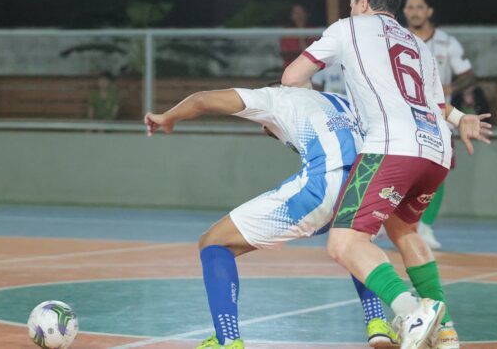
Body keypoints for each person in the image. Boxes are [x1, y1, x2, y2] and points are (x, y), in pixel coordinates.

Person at [282, 0, 491, 349]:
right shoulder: (419, 45)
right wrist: (462, 120)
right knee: (404, 230)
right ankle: (444, 329)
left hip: (392, 148)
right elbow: (438, 103)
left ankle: (410, 309)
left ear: (362, 3)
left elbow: (293, 77)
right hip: (437, 150)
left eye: (351, 4)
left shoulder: (347, 27)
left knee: (343, 243)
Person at [144, 86, 399, 349]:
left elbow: (201, 99)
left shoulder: (274, 99)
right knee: (355, 244)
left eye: (267, 129)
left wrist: (168, 117)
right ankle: (377, 323)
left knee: (213, 242)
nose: (266, 131)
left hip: (323, 185)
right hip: (367, 184)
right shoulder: (342, 102)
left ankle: (227, 339)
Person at [402, 0, 477, 250]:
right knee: (401, 172)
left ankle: (425, 227)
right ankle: (391, 220)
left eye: (419, 7)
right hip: (403, 118)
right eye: (410, 7)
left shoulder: (447, 43)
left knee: (436, 175)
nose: (414, 12)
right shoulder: (397, 38)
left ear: (429, 11)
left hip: (440, 118)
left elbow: (468, 75)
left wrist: (451, 87)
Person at [279, 4, 316, 69]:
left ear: (306, 15)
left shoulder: (313, 32)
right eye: (296, 13)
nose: (299, 15)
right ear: (291, 16)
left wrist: (301, 31)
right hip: (290, 70)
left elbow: (311, 56)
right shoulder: (287, 33)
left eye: (301, 12)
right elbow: (285, 55)